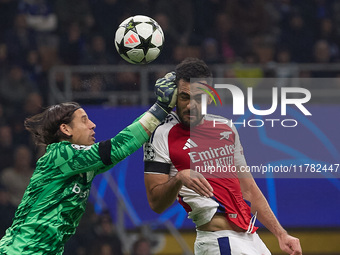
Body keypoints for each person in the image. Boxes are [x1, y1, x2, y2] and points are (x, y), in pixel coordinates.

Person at [0, 74, 177, 254]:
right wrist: (161, 107)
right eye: (84, 120)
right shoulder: (61, 154)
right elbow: (117, 147)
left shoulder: (81, 164)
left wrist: (159, 110)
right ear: (65, 129)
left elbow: (123, 145)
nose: (92, 125)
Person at [143, 58, 302, 255]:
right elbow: (155, 203)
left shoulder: (226, 127)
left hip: (251, 237)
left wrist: (281, 234)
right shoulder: (160, 134)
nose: (191, 105)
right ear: (175, 96)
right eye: (184, 97)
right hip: (219, 241)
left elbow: (249, 190)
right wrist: (179, 178)